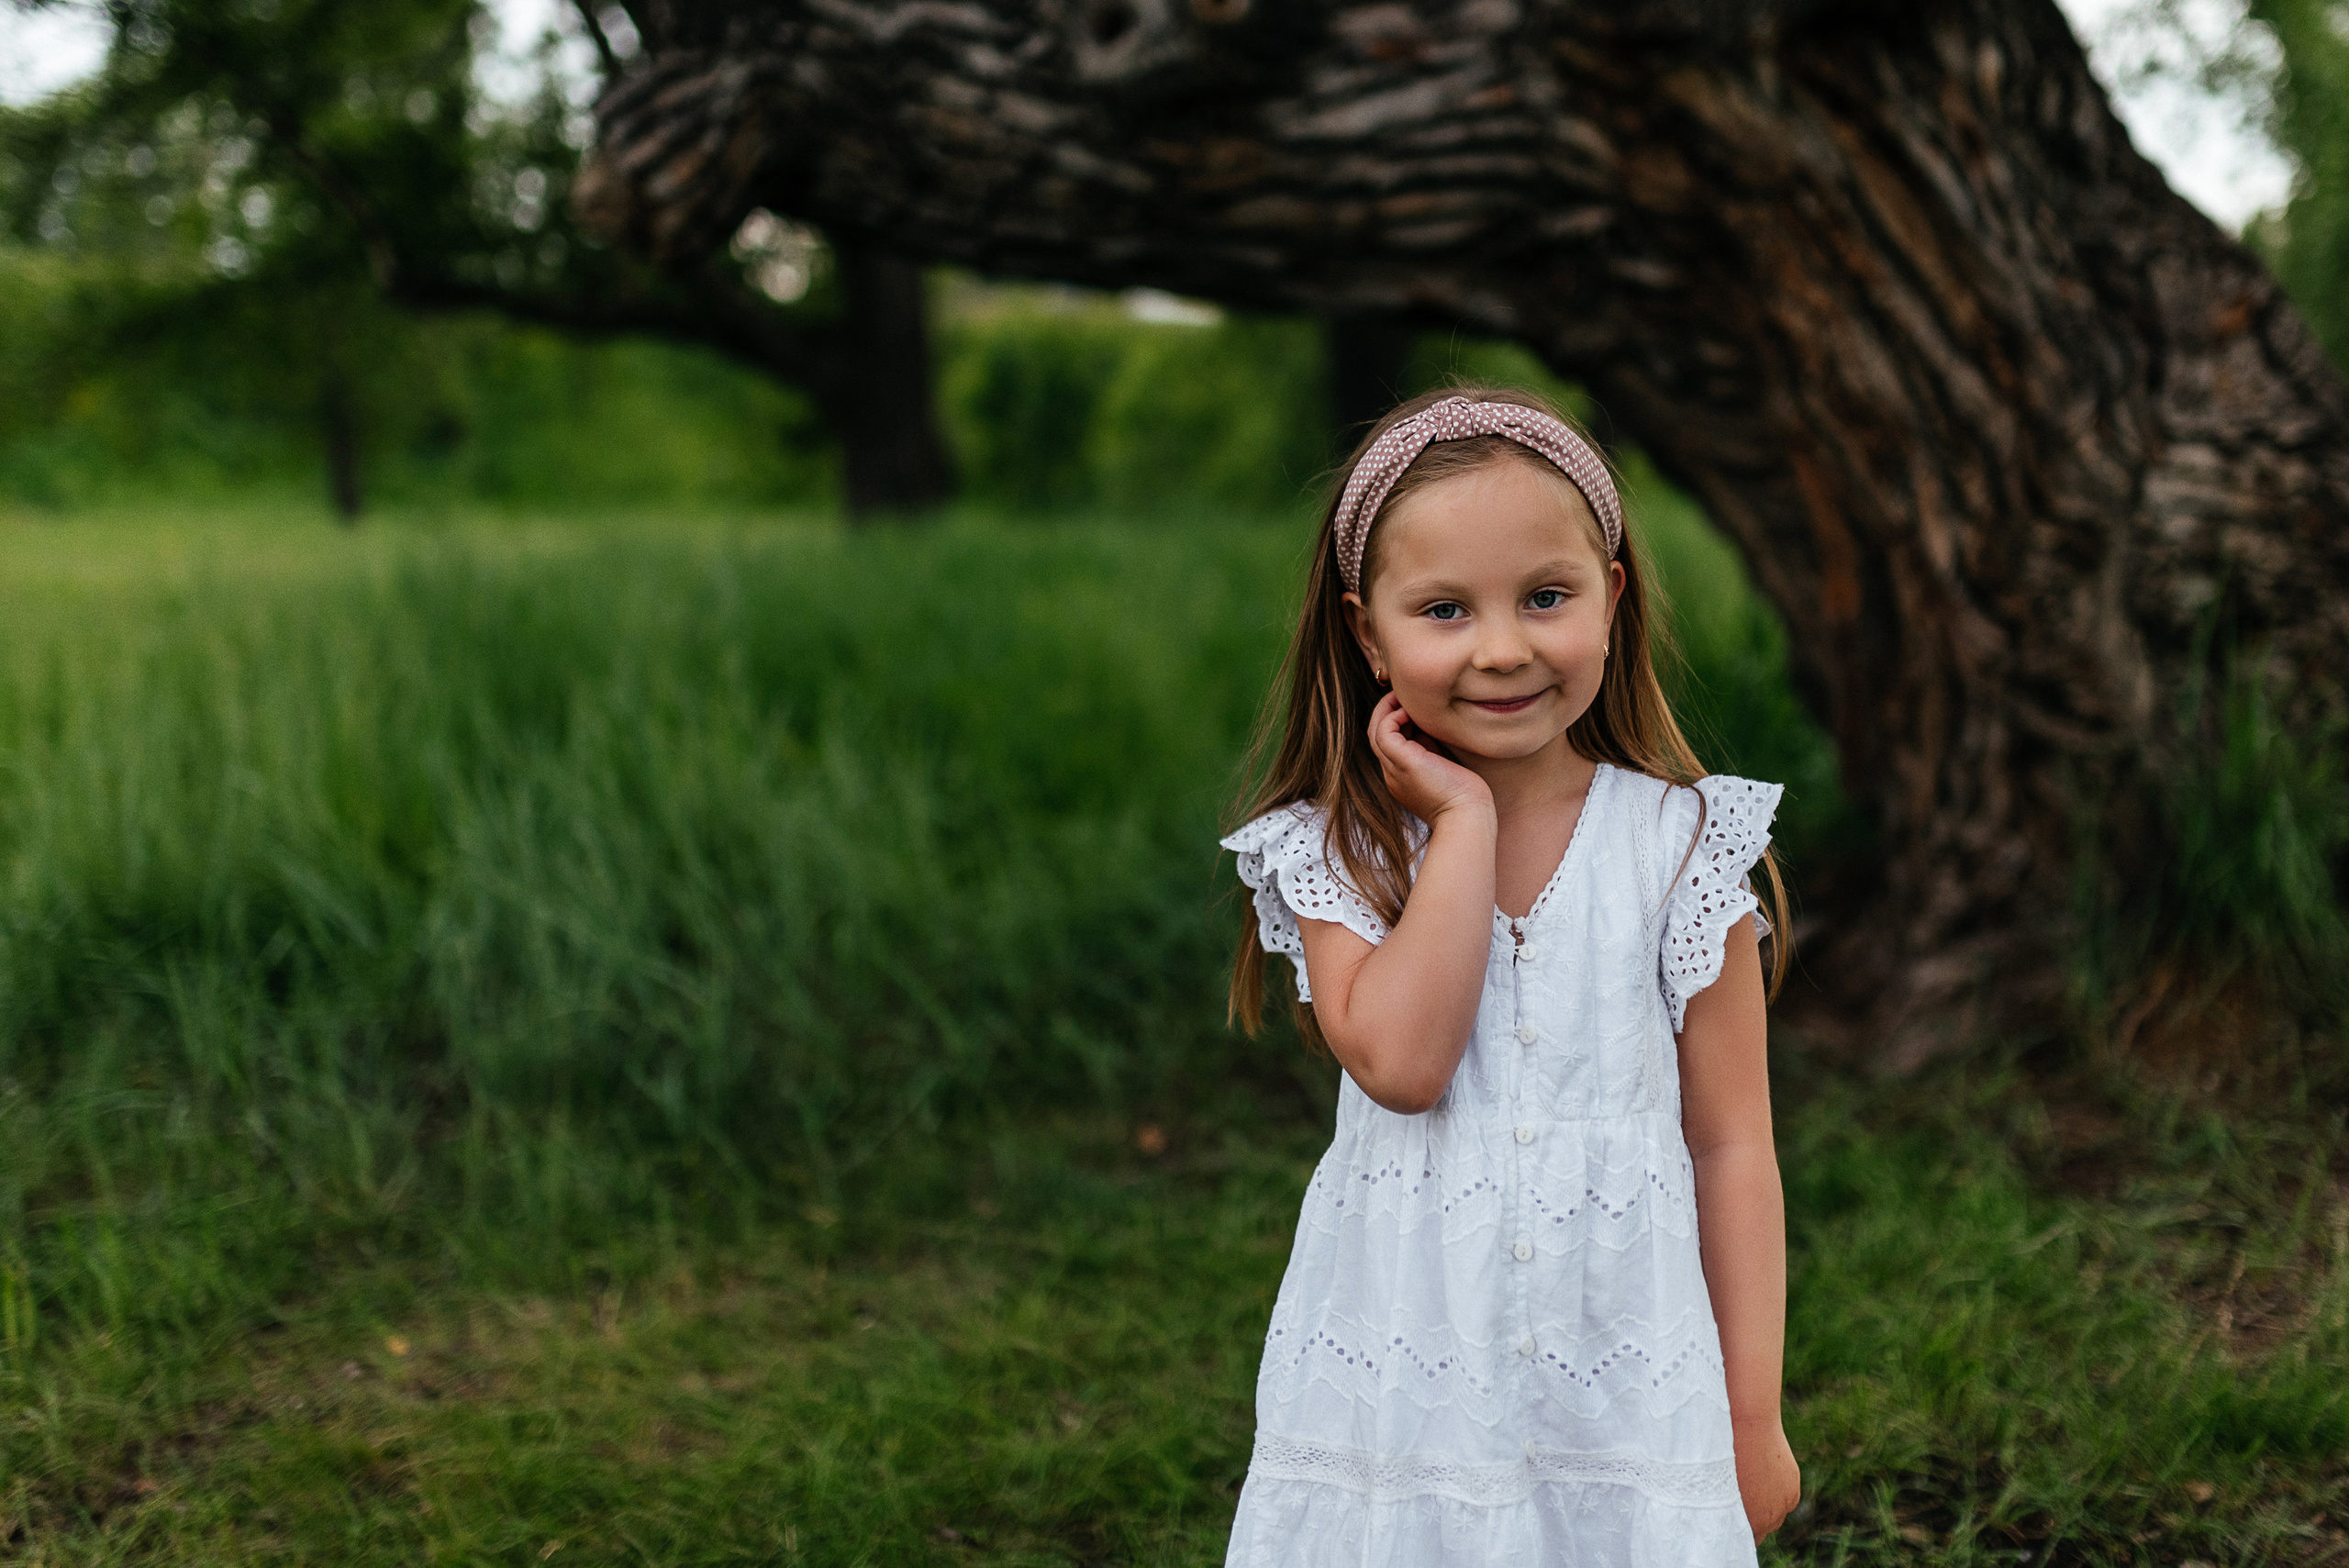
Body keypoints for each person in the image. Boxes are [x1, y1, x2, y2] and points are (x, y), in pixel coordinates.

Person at [1219, 386, 1802, 1565]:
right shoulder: (1341, 847)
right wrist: (1462, 823)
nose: (1502, 647)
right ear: (1369, 635)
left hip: (1624, 1371)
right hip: (1409, 1378)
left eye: (1546, 596)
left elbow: (1731, 1141)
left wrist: (1748, 1414)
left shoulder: (1684, 845)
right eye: (1443, 609)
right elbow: (1404, 1063)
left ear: (1611, 595)